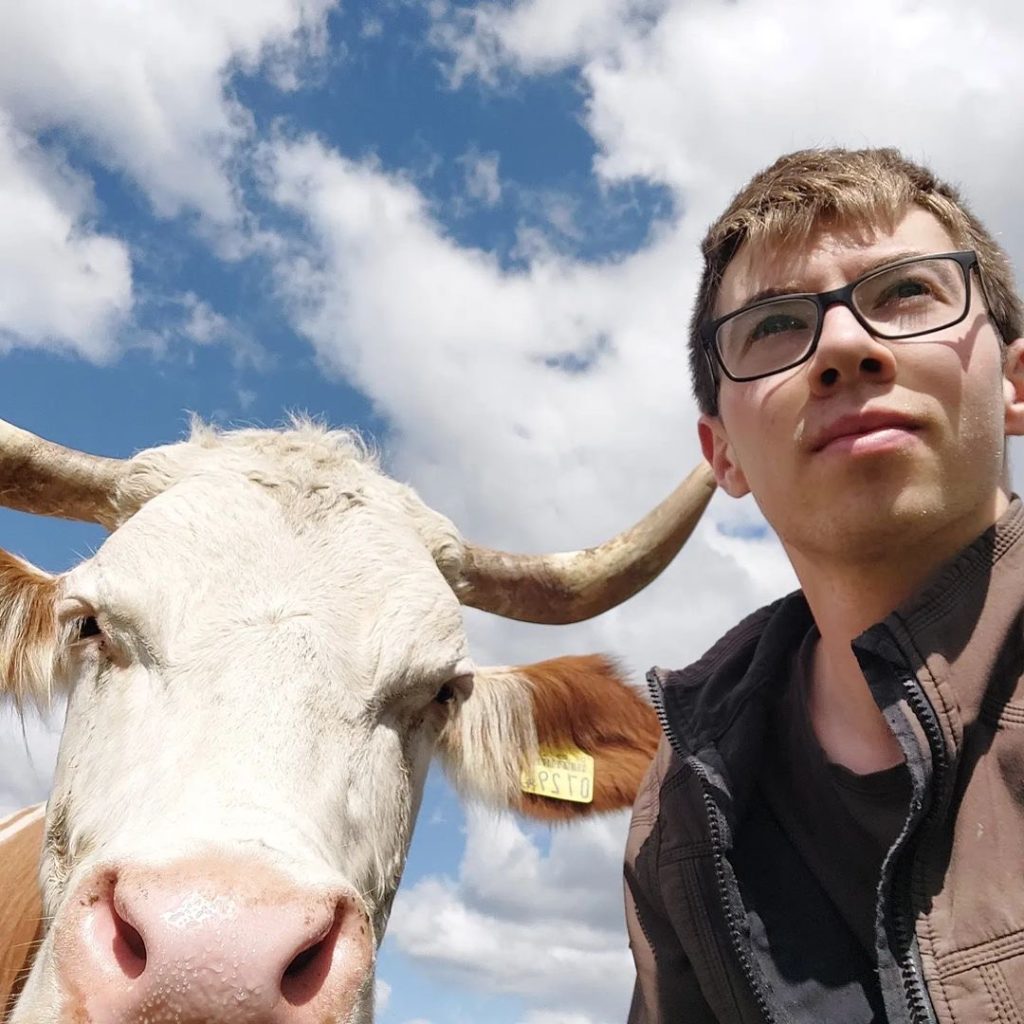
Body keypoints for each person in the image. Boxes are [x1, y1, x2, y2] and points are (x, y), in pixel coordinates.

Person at [623, 147, 1024, 1024]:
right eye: (773, 327)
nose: (845, 345)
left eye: (908, 292)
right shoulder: (682, 793)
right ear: (721, 452)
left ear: (1016, 383)